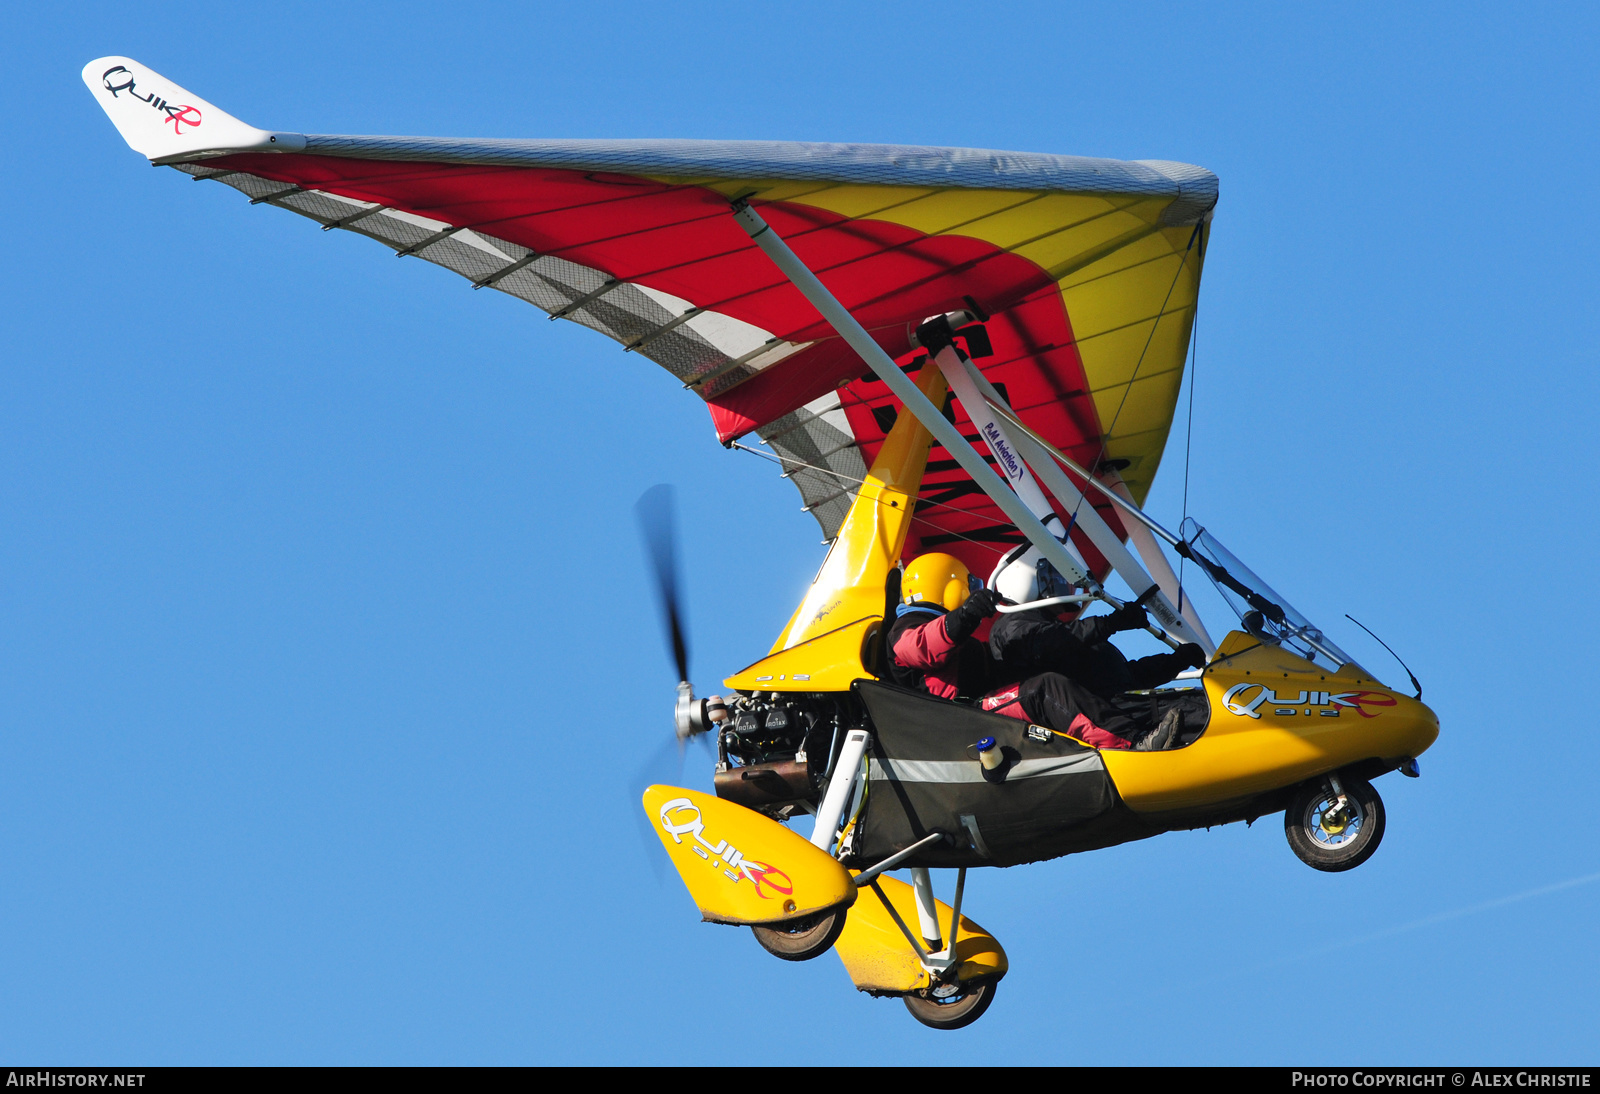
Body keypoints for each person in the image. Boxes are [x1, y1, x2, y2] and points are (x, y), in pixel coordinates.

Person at [981, 547, 1206, 750]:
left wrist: (1176, 661)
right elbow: (1049, 643)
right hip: (1112, 721)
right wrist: (1110, 624)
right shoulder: (1013, 628)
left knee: (1205, 707)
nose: (1063, 582)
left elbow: (1123, 678)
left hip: (1125, 709)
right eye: (1053, 576)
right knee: (1205, 713)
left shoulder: (1063, 633)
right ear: (1026, 580)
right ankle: (1135, 746)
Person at [885, 552, 1001, 701]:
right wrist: (965, 615)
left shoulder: (954, 635)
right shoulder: (904, 627)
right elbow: (920, 647)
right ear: (950, 587)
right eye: (970, 585)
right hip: (958, 713)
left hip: (981, 702)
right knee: (1038, 695)